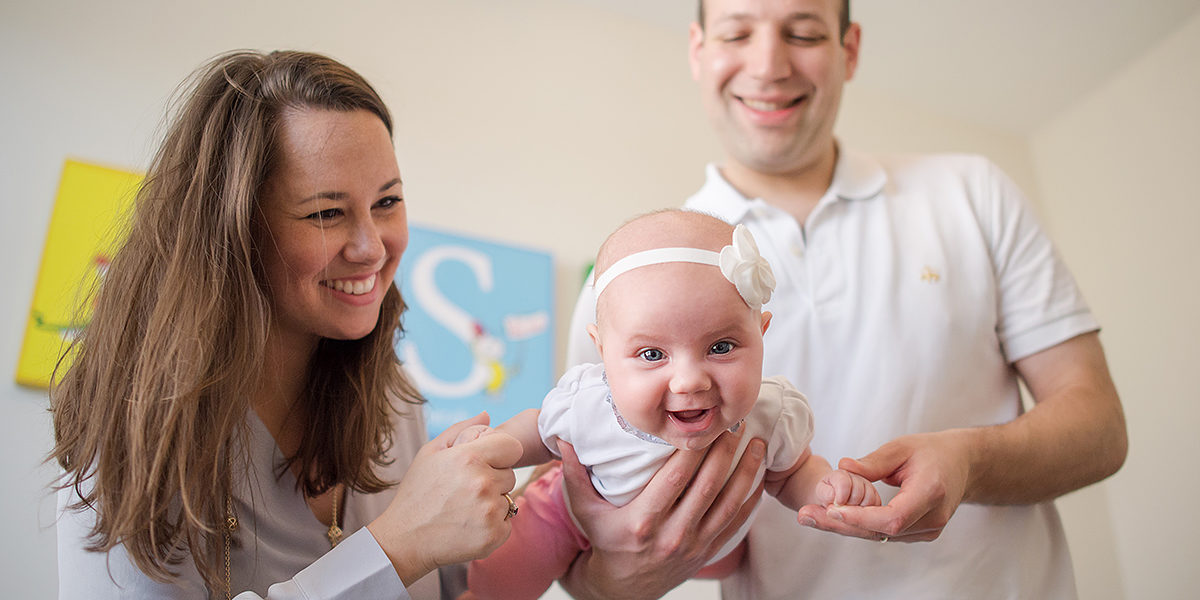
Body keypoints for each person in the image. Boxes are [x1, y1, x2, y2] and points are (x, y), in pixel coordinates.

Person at [560, 0, 1129, 598]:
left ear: (848, 48)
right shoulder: (627, 278)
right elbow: (576, 541)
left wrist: (971, 461)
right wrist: (618, 579)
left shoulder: (972, 194)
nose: (769, 64)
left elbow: (1099, 427)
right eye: (737, 33)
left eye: (802, 32)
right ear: (699, 50)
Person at [50, 50, 525, 599]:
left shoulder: (399, 406)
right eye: (326, 213)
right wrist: (399, 546)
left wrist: (567, 530)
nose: (373, 247)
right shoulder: (128, 425)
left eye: (388, 201)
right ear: (233, 230)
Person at [465, 211, 881, 599]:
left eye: (720, 347)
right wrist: (488, 450)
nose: (689, 381)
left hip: (711, 546)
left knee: (732, 559)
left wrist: (825, 487)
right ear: (603, 352)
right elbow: (538, 431)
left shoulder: (771, 415)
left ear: (762, 332)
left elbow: (792, 473)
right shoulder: (590, 405)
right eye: (652, 355)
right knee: (506, 575)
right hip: (568, 517)